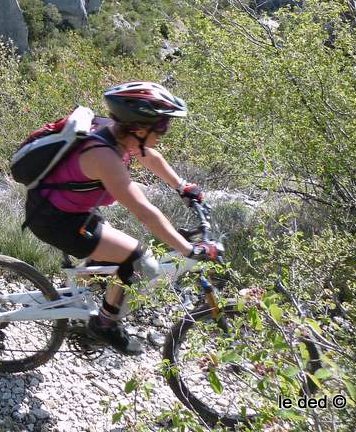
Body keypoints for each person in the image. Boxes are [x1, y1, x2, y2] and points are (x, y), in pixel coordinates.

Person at [23, 82, 220, 355]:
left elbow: (149, 156)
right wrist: (188, 249)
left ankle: (85, 293)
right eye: (161, 126)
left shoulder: (114, 133)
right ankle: (105, 324)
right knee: (136, 259)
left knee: (116, 253)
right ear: (139, 129)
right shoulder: (103, 156)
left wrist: (182, 186)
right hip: (57, 221)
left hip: (66, 209)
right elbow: (144, 212)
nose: (164, 132)